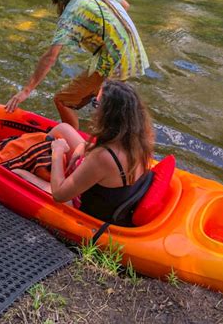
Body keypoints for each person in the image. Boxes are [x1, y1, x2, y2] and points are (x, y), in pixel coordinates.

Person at [5, 0, 149, 129]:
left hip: (114, 60)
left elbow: (50, 56)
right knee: (105, 104)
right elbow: (125, 5)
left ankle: (74, 142)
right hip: (130, 51)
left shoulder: (73, 12)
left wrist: (26, 91)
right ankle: (104, 125)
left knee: (63, 100)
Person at [9, 80, 154, 222]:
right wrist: (84, 147)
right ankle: (41, 159)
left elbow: (59, 195)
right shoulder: (139, 141)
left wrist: (57, 153)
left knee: (17, 174)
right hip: (106, 188)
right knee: (64, 128)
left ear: (108, 115)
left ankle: (34, 165)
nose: (94, 110)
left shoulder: (103, 157)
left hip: (81, 206)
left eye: (96, 104)